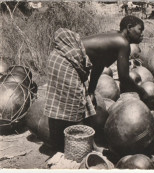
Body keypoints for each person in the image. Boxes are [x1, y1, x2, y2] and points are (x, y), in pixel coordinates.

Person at [44, 15, 146, 151]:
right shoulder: (123, 43)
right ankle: (82, 147)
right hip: (66, 61)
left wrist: (91, 90)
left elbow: (98, 65)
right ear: (129, 28)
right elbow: (124, 77)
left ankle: (62, 143)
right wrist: (141, 91)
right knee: (77, 105)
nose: (142, 34)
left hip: (60, 59)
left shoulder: (114, 38)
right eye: (140, 30)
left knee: (77, 102)